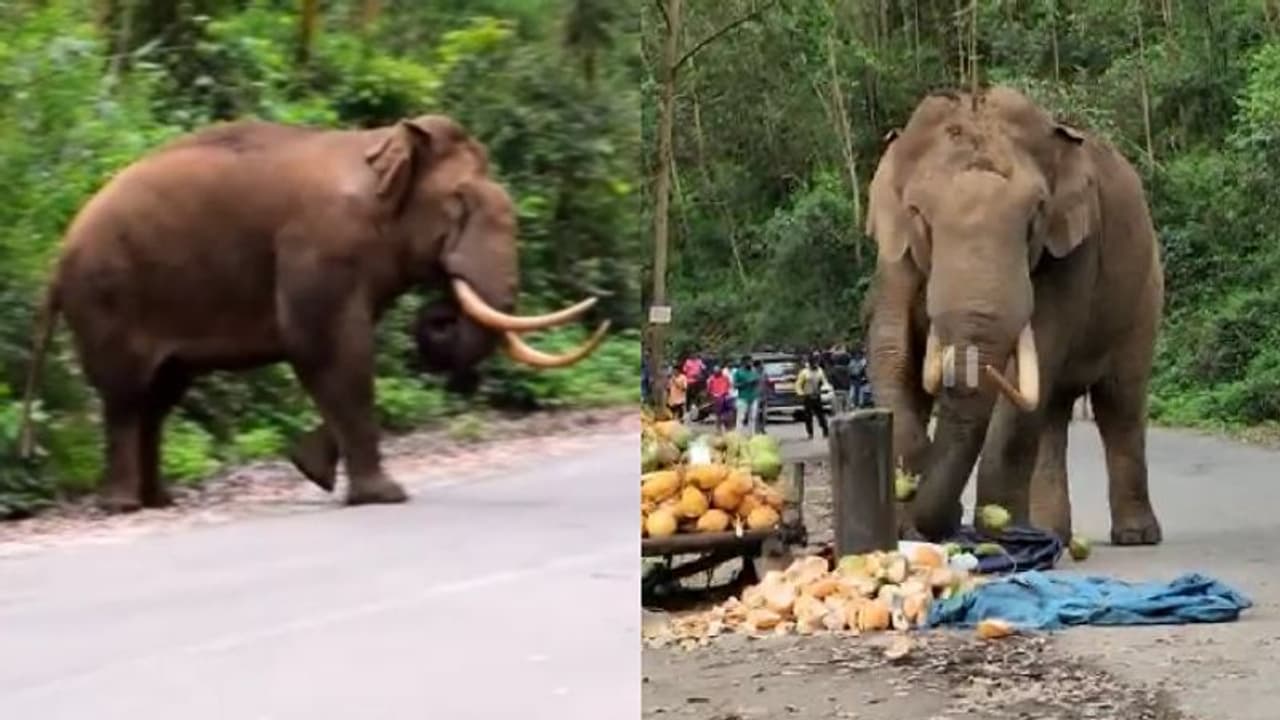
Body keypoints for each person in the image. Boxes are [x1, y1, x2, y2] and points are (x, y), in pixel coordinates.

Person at [795, 354, 831, 440]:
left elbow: (824, 381)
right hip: (807, 395)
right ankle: (810, 433)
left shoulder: (820, 371)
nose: (815, 364)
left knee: (821, 415)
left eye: (816, 362)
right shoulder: (804, 372)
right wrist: (800, 393)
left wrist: (825, 388)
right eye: (814, 363)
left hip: (817, 395)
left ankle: (825, 431)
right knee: (808, 416)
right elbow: (798, 384)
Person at [732, 356, 760, 434]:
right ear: (744, 363)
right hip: (743, 398)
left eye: (751, 362)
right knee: (741, 418)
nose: (751, 363)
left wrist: (755, 382)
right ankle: (738, 435)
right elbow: (735, 385)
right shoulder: (738, 372)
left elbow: (757, 381)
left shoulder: (754, 371)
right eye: (749, 362)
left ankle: (752, 435)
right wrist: (746, 383)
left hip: (753, 397)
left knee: (753, 417)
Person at [706, 363, 733, 432]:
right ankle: (719, 430)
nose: (717, 372)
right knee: (718, 415)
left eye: (718, 370)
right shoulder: (711, 379)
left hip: (725, 397)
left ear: (721, 371)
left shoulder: (725, 377)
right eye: (715, 371)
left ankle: (728, 429)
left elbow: (729, 386)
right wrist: (713, 395)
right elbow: (709, 390)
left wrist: (727, 394)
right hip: (717, 398)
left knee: (727, 415)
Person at [827, 349, 852, 415]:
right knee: (847, 409)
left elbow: (830, 379)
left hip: (837, 390)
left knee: (838, 409)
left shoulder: (833, 369)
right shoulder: (847, 369)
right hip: (846, 390)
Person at [753, 359, 771, 434]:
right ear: (757, 366)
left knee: (764, 415)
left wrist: (769, 393)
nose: (763, 366)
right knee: (756, 415)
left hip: (764, 396)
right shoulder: (752, 373)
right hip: (755, 396)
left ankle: (762, 429)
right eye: (761, 364)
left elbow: (768, 383)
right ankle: (756, 430)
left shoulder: (764, 373)